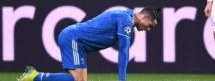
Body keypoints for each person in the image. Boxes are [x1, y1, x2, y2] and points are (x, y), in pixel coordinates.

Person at [18, 7, 159, 81]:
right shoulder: (126, 20)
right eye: (150, 25)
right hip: (73, 38)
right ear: (144, 16)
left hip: (79, 44)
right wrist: (122, 79)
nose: (148, 29)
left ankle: (35, 76)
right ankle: (35, 76)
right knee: (76, 80)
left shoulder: (127, 16)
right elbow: (123, 51)